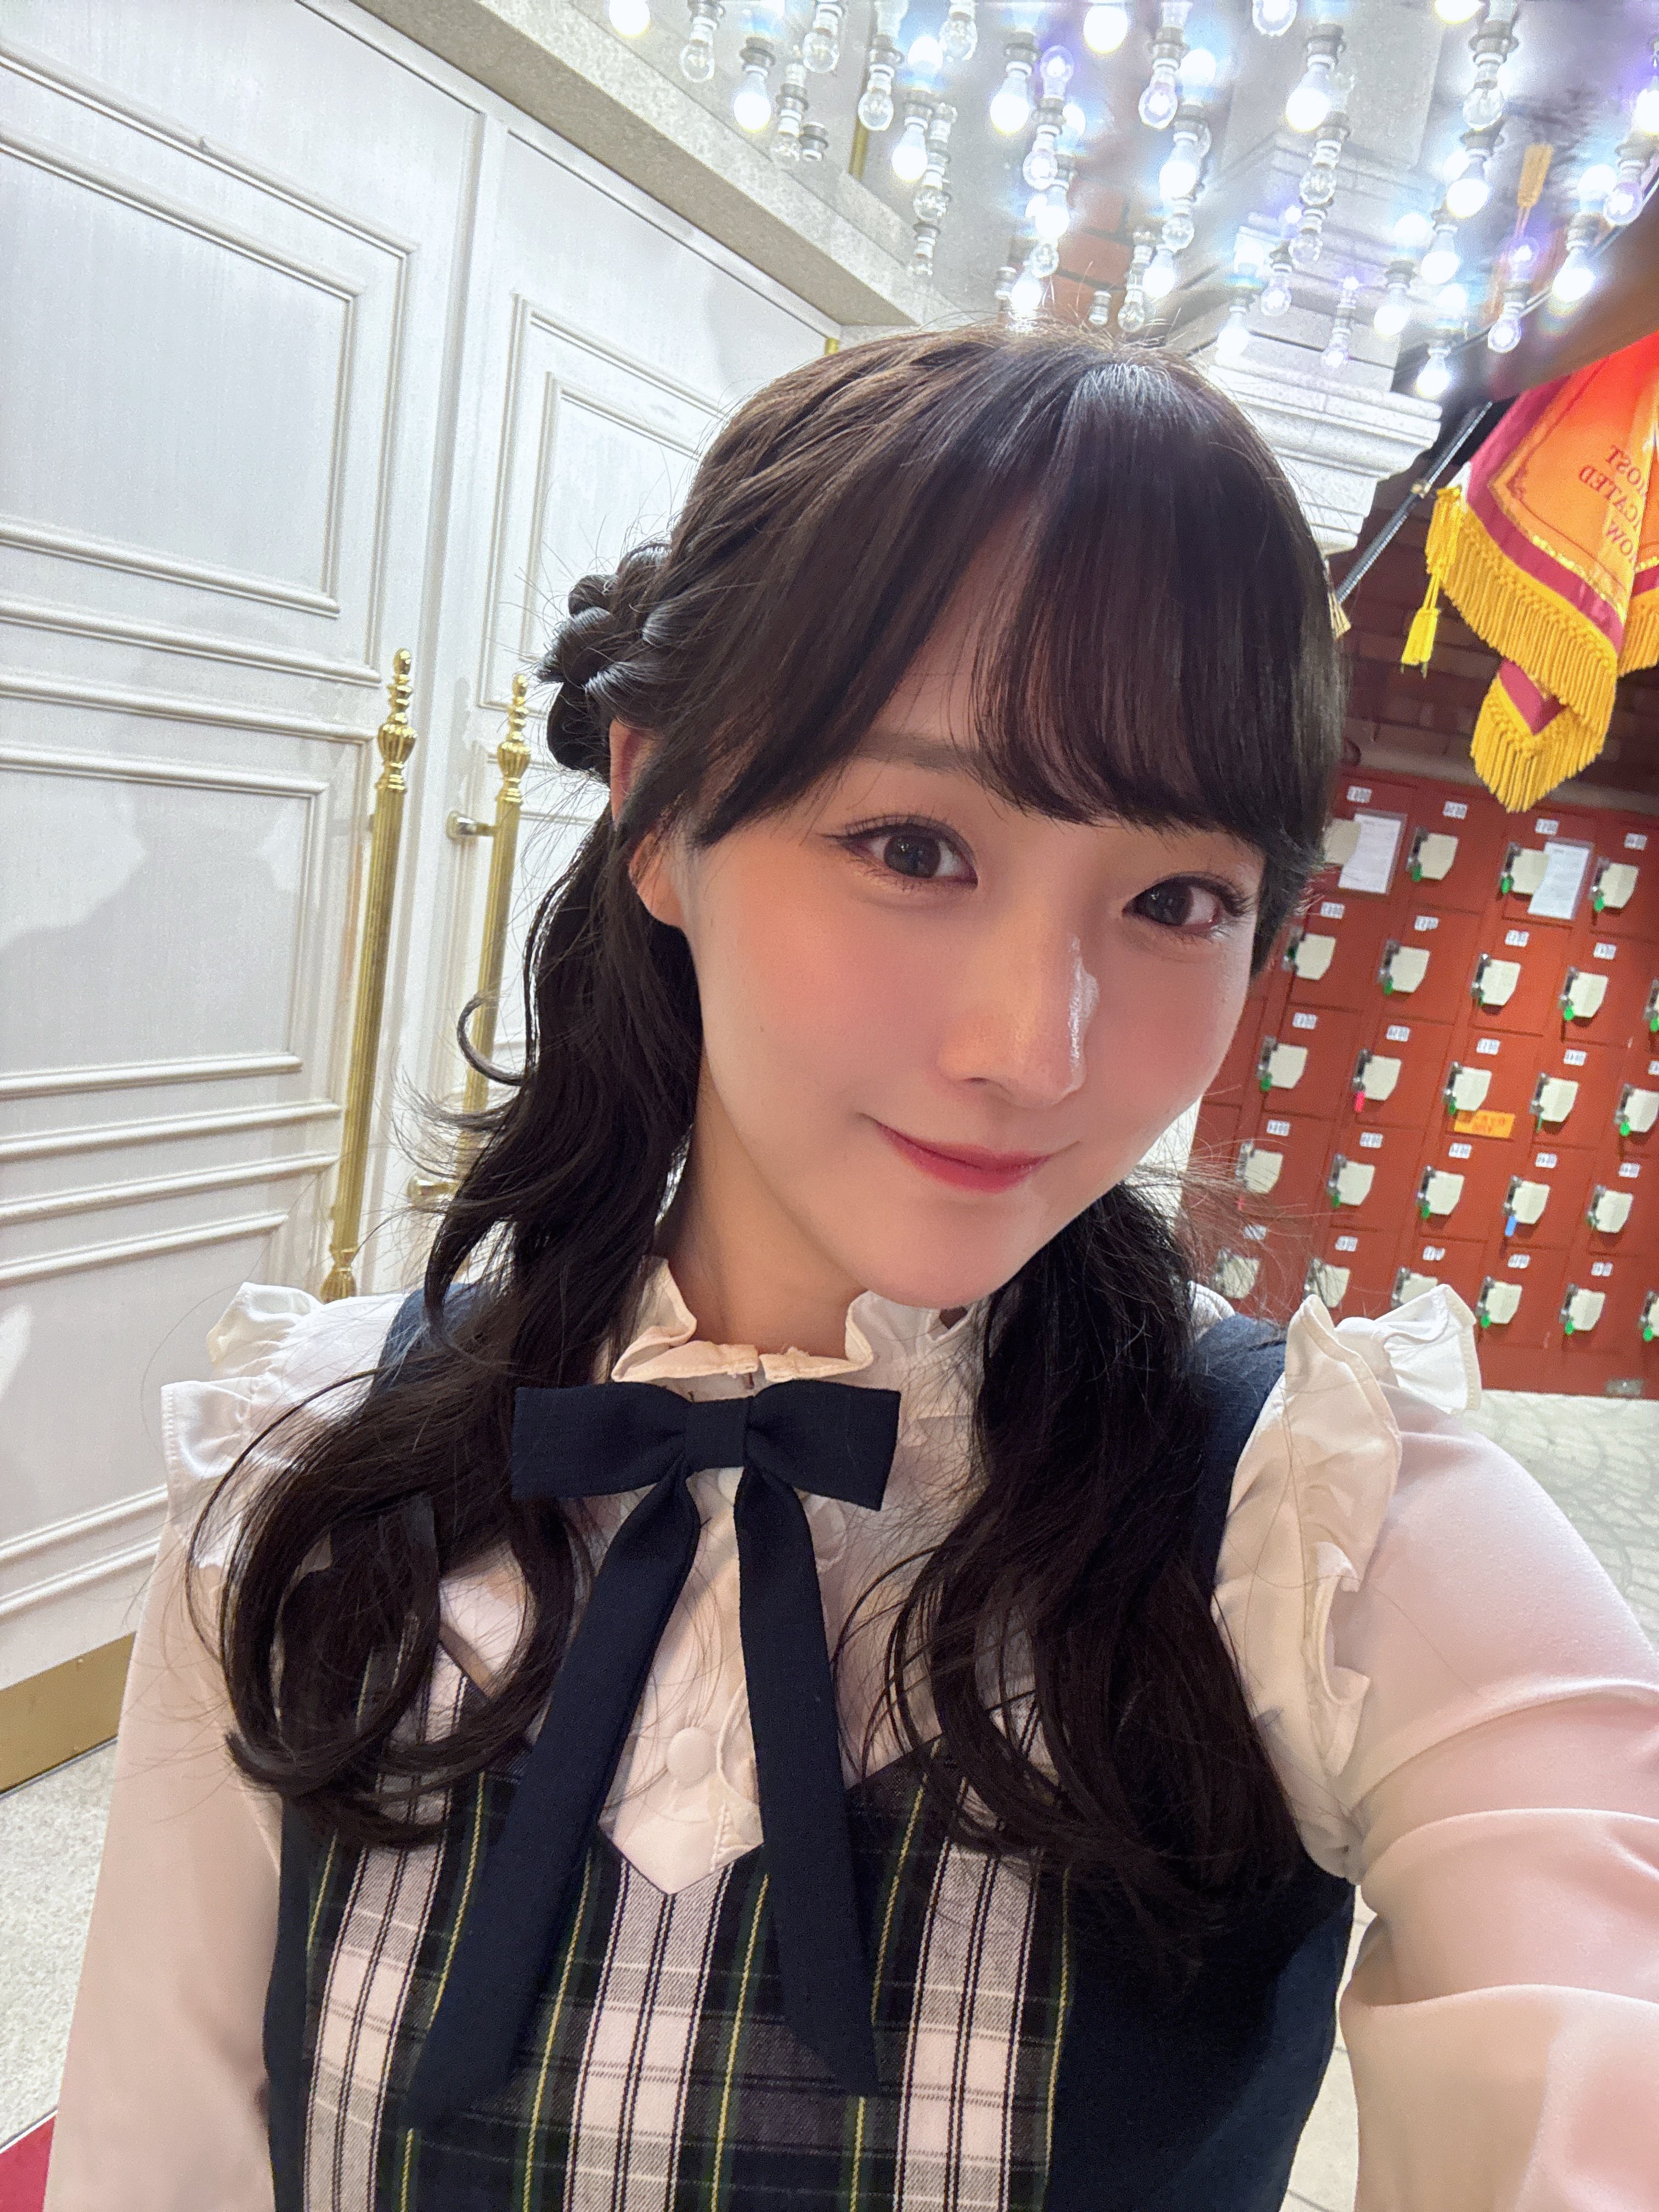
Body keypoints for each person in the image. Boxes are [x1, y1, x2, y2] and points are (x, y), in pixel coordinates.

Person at [48, 326, 1659, 2212]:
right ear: (660, 814)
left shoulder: (1323, 1531)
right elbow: (156, 2156)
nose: (1034, 1048)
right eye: (913, 845)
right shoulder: (312, 1465)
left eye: (1176, 899)